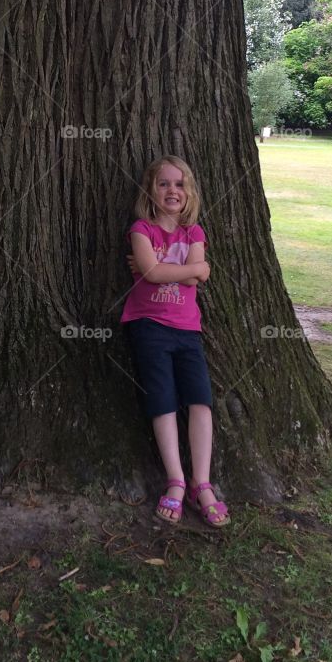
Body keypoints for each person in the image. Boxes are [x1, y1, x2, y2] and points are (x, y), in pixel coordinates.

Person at [122, 155, 230, 528]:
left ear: (189, 192)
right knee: (163, 400)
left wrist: (166, 270)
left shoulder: (193, 232)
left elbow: (180, 274)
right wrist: (186, 271)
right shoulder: (141, 229)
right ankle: (176, 479)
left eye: (180, 184)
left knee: (200, 400)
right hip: (148, 325)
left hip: (187, 330)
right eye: (164, 183)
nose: (173, 190)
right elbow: (160, 273)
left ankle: (202, 482)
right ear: (151, 190)